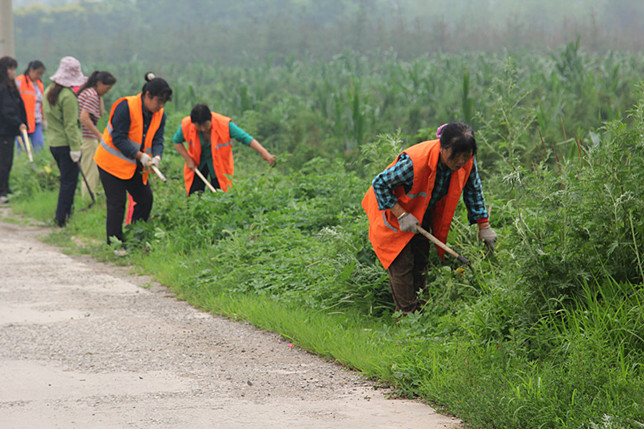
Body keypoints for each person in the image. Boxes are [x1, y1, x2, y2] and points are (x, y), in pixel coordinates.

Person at [362, 122, 497, 314]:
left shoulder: (467, 161)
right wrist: (401, 214)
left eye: (466, 156)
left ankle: (422, 314)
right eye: (456, 155)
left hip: (419, 212)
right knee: (402, 264)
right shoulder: (415, 161)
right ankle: (408, 318)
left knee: (420, 261)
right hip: (390, 210)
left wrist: (484, 225)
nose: (460, 161)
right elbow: (380, 184)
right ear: (442, 148)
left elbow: (473, 189)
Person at [94, 72, 172, 245]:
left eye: (163, 102)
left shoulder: (160, 115)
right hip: (111, 163)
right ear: (148, 95)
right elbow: (118, 138)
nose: (161, 106)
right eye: (159, 101)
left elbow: (158, 139)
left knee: (145, 199)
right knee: (117, 203)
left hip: (134, 165)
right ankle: (115, 243)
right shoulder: (126, 106)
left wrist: (157, 156)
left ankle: (135, 239)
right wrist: (140, 155)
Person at [172, 103, 275, 195]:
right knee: (194, 194)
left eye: (205, 125)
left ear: (210, 119)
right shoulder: (187, 125)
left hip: (219, 165)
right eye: (199, 126)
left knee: (221, 194)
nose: (203, 129)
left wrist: (264, 152)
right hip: (197, 163)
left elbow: (245, 138)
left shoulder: (224, 124)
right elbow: (176, 141)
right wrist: (188, 160)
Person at [43, 56, 87, 227]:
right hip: (67, 145)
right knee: (69, 183)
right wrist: (76, 148)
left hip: (54, 143)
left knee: (65, 181)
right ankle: (62, 219)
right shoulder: (68, 96)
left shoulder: (49, 90)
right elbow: (70, 125)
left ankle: (65, 214)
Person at [76, 71, 116, 197]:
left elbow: (101, 112)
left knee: (87, 170)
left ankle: (87, 197)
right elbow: (84, 117)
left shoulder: (90, 93)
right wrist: (98, 134)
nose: (107, 91)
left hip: (80, 136)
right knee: (90, 172)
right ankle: (88, 199)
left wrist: (100, 95)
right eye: (107, 88)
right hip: (87, 137)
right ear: (99, 83)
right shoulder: (92, 95)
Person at [0, 57, 28, 204]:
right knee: (4, 161)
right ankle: (2, 191)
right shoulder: (3, 88)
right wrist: (18, 123)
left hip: (8, 130)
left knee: (7, 160)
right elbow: (6, 110)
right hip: (4, 130)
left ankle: (5, 188)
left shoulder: (10, 86)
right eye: (10, 69)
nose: (13, 72)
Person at [15, 60, 46, 152]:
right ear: (31, 70)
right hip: (22, 121)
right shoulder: (19, 81)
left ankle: (39, 164)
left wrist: (43, 118)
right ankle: (22, 165)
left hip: (36, 121)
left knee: (39, 146)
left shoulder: (40, 85)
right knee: (22, 148)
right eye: (38, 73)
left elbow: (41, 104)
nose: (39, 76)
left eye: (41, 74)